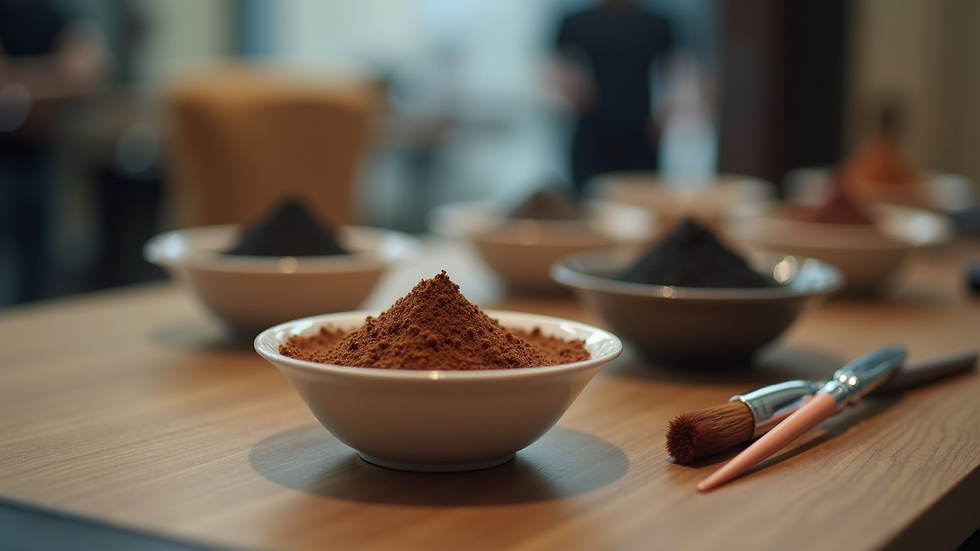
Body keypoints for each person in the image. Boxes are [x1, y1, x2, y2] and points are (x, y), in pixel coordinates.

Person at [0, 0, 108, 304]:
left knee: (40, 262)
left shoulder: (56, 16)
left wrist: (18, 84)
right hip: (4, 159)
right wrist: (55, 78)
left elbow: (87, 75)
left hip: (42, 156)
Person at [551, 0, 674, 193]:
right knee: (589, 201)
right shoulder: (575, 22)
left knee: (640, 198)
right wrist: (571, 87)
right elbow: (556, 66)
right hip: (592, 131)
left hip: (641, 132)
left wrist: (665, 113)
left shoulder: (657, 24)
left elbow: (674, 71)